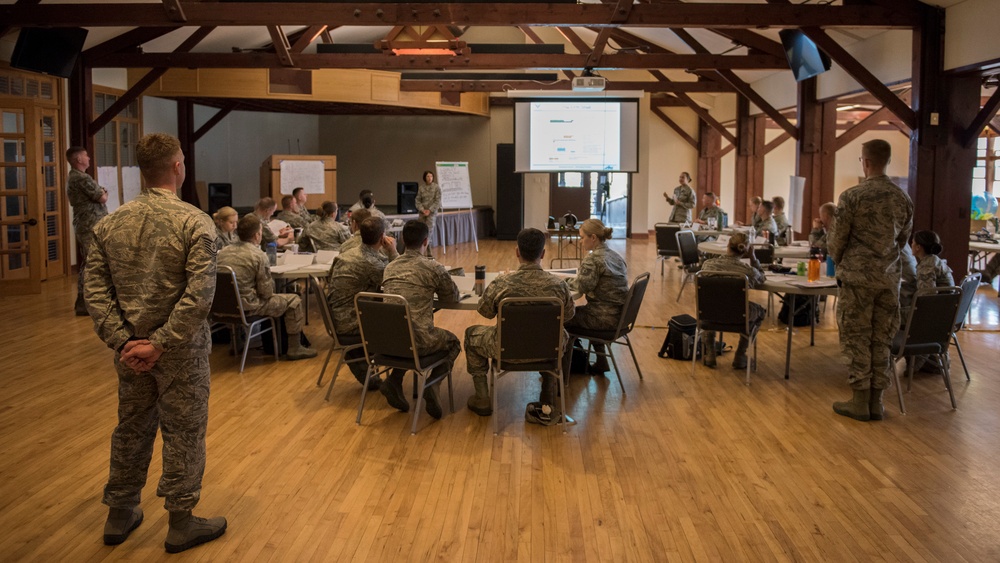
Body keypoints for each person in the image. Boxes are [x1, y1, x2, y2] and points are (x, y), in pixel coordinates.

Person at [83, 133, 226, 553]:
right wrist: (160, 343)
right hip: (181, 353)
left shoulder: (109, 223)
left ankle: (120, 512)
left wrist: (125, 342)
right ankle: (181, 522)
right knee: (184, 431)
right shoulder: (195, 222)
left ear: (143, 171)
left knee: (131, 427)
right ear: (177, 166)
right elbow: (200, 295)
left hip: (130, 353)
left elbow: (94, 291)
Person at [828, 139, 913, 422]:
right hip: (889, 281)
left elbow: (837, 241)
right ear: (887, 161)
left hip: (857, 280)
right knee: (882, 338)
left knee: (857, 337)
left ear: (865, 162)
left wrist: (844, 261)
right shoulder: (903, 198)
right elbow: (903, 241)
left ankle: (859, 400)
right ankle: (877, 402)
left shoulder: (852, 196)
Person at [464, 228, 576, 426]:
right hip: (547, 350)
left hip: (506, 350)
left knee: (471, 334)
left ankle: (482, 397)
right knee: (558, 334)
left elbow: (485, 311)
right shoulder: (558, 285)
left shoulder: (502, 283)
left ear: (517, 252)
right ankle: (548, 396)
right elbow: (568, 315)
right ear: (543, 254)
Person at [379, 220, 462, 419]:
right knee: (453, 342)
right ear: (426, 241)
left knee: (405, 333)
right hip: (419, 341)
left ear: (402, 239)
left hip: (388, 340)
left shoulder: (390, 267)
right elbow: (452, 298)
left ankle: (394, 380)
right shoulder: (432, 267)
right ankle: (433, 384)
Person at [218, 214, 318, 361]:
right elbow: (266, 293)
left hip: (222, 307)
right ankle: (295, 347)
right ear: (257, 235)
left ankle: (236, 343)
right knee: (294, 300)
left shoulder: (223, 252)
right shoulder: (258, 255)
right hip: (249, 307)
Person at [325, 216, 400, 389]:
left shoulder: (346, 254)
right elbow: (398, 279)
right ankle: (395, 380)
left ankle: (360, 361)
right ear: (382, 237)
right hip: (352, 322)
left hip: (336, 317)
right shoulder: (371, 263)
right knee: (404, 325)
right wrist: (393, 251)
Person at [565, 219, 628, 375]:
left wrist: (563, 281)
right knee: (589, 309)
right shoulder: (615, 256)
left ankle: (563, 369)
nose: (580, 241)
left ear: (593, 237)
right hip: (620, 316)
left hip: (602, 319)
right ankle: (601, 361)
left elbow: (582, 286)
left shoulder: (593, 259)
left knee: (561, 318)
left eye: (582, 237)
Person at [698, 232, 767, 369]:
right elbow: (762, 278)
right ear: (746, 251)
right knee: (760, 311)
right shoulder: (748, 272)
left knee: (711, 304)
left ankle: (710, 352)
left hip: (709, 313)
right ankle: (740, 354)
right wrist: (753, 259)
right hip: (739, 315)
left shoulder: (707, 265)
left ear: (728, 245)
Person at [66, 146, 109, 316]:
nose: (89, 158)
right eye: (86, 155)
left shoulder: (78, 176)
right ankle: (86, 302)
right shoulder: (81, 178)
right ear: (78, 159)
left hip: (89, 225)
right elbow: (102, 196)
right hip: (88, 226)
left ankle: (87, 302)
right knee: (92, 263)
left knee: (90, 263)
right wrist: (103, 191)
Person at [416, 170, 442, 253]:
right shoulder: (421, 188)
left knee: (429, 232)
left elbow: (438, 201)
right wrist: (422, 210)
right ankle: (421, 251)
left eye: (431, 176)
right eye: (428, 176)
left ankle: (428, 252)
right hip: (422, 213)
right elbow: (417, 200)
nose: (430, 178)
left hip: (431, 214)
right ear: (425, 177)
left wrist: (430, 210)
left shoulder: (436, 188)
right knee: (421, 231)